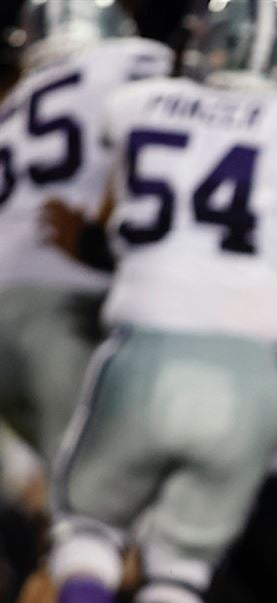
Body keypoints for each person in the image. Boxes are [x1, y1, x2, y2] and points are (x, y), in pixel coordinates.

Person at [43, 2, 277, 603]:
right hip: (255, 370)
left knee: (87, 533)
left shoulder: (140, 104)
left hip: (145, 348)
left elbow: (110, 223)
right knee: (181, 571)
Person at [0, 0, 173, 468]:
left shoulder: (13, 100)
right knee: (93, 507)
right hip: (67, 308)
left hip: (7, 303)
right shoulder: (133, 62)